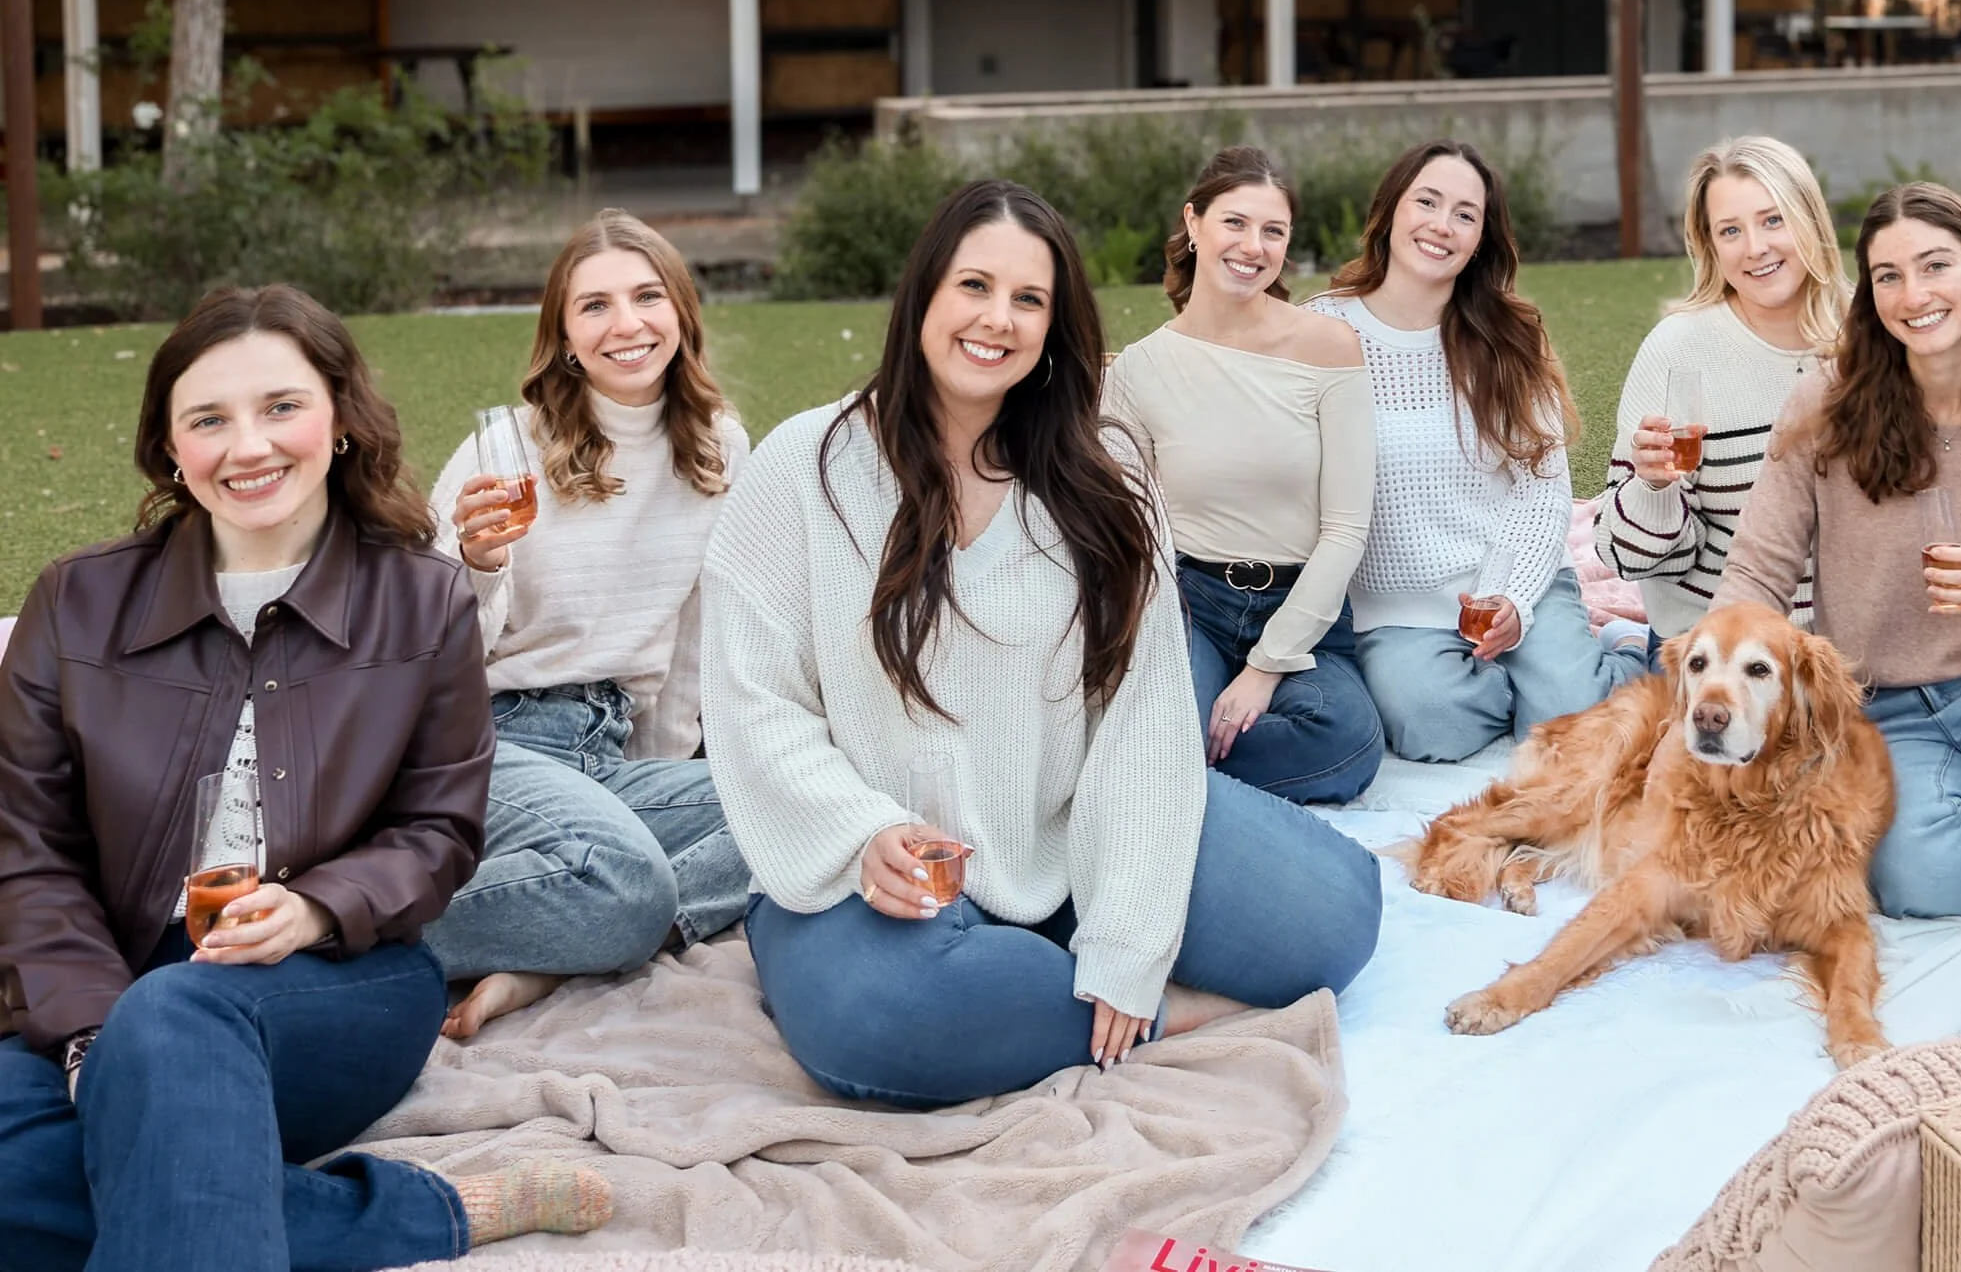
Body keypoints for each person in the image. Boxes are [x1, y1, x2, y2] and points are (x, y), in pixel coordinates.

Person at [701, 180, 1381, 1107]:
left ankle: (1062, 975)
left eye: (1030, 299)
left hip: (1069, 825)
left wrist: (1128, 934)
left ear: (1057, 325)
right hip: (878, 862)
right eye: (973, 286)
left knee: (1334, 917)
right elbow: (754, 699)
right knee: (882, 1018)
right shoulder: (805, 463)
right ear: (923, 297)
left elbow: (1141, 713)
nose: (998, 320)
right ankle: (1154, 1015)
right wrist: (859, 835)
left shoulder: (1107, 475)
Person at [0, 285, 610, 1272]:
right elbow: (27, 852)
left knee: (172, 1016)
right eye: (209, 418)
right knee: (45, 1146)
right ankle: (411, 1213)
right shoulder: (76, 602)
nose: (248, 446)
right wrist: (89, 1036)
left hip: (339, 977)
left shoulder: (422, 604)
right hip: (105, 978)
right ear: (169, 446)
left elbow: (439, 832)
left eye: (280, 406)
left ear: (338, 420)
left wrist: (319, 906)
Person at [1715, 183, 1961, 919]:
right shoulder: (1824, 407)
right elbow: (1758, 569)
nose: (1913, 294)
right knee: (1919, 880)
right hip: (1881, 700)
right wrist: (1718, 681)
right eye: (1888, 276)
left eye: (1935, 266)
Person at [425, 211, 753, 1039]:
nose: (627, 324)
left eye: (647, 297)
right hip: (489, 740)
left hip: (607, 753)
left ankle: (557, 943)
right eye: (595, 306)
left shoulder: (718, 449)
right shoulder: (505, 450)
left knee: (794, 814)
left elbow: (694, 645)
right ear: (565, 336)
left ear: (680, 313)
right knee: (626, 879)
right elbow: (422, 653)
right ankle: (346, 923)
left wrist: (660, 781)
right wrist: (477, 564)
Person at [1307, 139, 1642, 761]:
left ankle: (1623, 657)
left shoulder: (1508, 338)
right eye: (1427, 202)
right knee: (1430, 724)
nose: (1442, 225)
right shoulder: (1323, 331)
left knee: (1573, 732)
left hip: (1515, 583)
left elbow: (1544, 485)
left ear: (1482, 238)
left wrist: (1512, 597)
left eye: (1465, 214)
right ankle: (1537, 691)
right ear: (1389, 213)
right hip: (1394, 608)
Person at [1103, 147, 1385, 804]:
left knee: (1347, 740)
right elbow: (1133, 534)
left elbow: (1346, 527)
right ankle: (1159, 765)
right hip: (1191, 604)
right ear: (1194, 223)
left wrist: (1263, 668)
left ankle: (1159, 782)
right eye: (1234, 222)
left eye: (1273, 231)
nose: (1252, 246)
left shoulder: (1329, 347)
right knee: (1156, 721)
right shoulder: (1139, 371)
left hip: (1305, 609)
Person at [1594, 136, 1845, 650]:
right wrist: (1654, 489)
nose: (1755, 248)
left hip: (1849, 654)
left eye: (1773, 220)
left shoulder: (1874, 332)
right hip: (1718, 653)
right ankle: (1630, 654)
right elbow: (1623, 557)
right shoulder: (1679, 350)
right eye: (1730, 230)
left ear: (1811, 221)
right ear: (1709, 245)